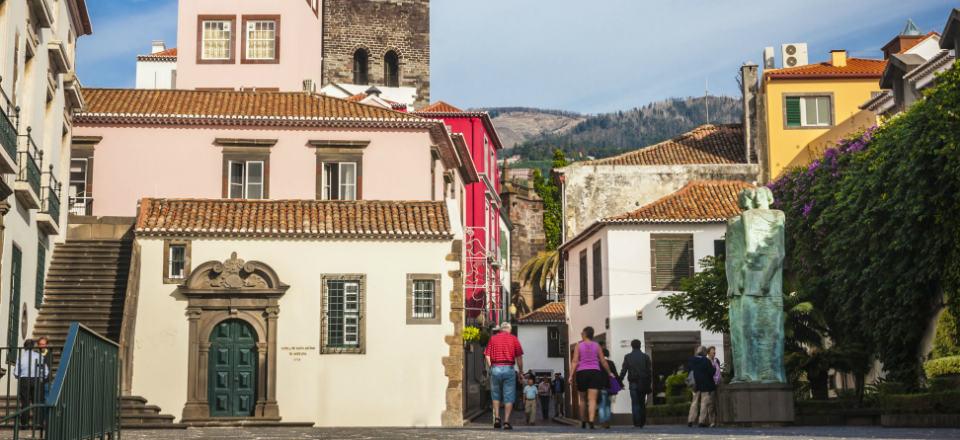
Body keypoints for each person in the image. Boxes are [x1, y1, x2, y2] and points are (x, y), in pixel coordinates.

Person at [569, 326, 615, 429]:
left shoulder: (578, 346)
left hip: (582, 373)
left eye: (582, 332)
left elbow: (575, 361)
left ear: (585, 334)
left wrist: (571, 375)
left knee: (582, 399)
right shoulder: (597, 345)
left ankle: (583, 421)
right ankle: (591, 420)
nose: (581, 334)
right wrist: (609, 373)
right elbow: (603, 361)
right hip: (595, 372)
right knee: (592, 399)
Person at [483, 321, 524, 430]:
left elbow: (487, 355)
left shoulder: (493, 338)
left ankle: (497, 418)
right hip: (509, 368)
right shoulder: (514, 339)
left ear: (501, 329)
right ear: (509, 330)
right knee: (509, 396)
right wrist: (520, 372)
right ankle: (506, 421)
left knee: (496, 394)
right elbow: (519, 358)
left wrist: (491, 367)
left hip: (495, 368)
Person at [15, 339, 49, 427]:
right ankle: (37, 424)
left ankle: (24, 424)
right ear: (33, 346)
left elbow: (16, 373)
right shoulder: (39, 356)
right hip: (37, 380)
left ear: (24, 347)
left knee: (25, 402)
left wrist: (20, 375)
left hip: (24, 380)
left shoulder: (21, 357)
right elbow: (46, 371)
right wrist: (41, 377)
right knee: (36, 402)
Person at [619, 339, 652, 428]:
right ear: (640, 345)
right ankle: (642, 422)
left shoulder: (628, 357)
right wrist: (649, 384)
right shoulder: (646, 357)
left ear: (632, 346)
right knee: (642, 403)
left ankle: (636, 422)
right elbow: (649, 372)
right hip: (643, 382)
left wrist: (619, 380)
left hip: (633, 383)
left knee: (635, 403)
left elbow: (624, 370)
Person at [686, 346, 717, 428]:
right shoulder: (706, 361)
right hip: (706, 385)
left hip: (695, 385)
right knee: (704, 403)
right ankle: (701, 421)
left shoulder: (691, 360)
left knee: (694, 402)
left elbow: (688, 371)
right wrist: (713, 367)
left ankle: (690, 420)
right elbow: (712, 372)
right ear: (704, 353)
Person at [598, 348, 622, 429]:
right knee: (608, 405)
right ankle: (607, 422)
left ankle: (602, 421)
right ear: (608, 354)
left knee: (602, 405)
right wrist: (620, 384)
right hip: (609, 387)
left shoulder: (598, 363)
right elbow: (615, 374)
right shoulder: (611, 363)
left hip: (600, 386)